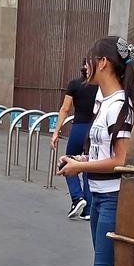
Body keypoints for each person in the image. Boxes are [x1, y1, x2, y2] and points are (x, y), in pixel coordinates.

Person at [58, 36, 134, 266]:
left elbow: (121, 159)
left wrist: (81, 165)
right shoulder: (103, 103)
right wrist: (79, 160)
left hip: (113, 198)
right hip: (98, 195)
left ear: (102, 63)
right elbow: (104, 152)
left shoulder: (121, 106)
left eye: (89, 60)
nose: (85, 66)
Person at [51, 59, 98, 220]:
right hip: (93, 128)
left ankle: (77, 197)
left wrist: (56, 131)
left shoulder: (74, 84)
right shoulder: (100, 86)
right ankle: (88, 209)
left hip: (78, 128)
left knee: (67, 161)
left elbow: (65, 108)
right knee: (88, 164)